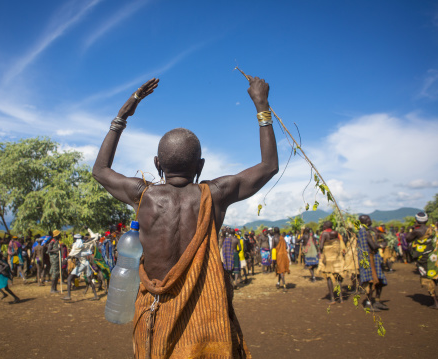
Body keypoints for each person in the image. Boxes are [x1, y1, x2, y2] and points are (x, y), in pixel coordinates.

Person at [92, 75, 278, 358]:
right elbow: (268, 166)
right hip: (205, 323)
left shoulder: (142, 195)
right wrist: (261, 104)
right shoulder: (215, 193)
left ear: (157, 164)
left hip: (153, 318)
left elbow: (101, 171)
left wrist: (122, 116)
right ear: (200, 165)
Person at [406, 212, 438, 309]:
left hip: (424, 259)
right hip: (435, 257)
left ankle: (436, 303)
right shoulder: (433, 229)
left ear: (416, 220)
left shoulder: (417, 231)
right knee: (436, 275)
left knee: (428, 279)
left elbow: (408, 239)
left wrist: (411, 229)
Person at [357, 215, 388, 311]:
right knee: (371, 281)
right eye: (368, 219)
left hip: (373, 257)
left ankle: (377, 301)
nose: (370, 220)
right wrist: (382, 244)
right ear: (365, 222)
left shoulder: (367, 231)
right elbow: (373, 246)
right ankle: (368, 303)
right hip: (369, 258)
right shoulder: (364, 232)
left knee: (379, 280)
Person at [62, 234, 98, 301]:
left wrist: (66, 259)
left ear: (76, 239)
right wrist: (91, 238)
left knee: (69, 278)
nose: (73, 239)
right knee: (89, 280)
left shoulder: (77, 245)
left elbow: (72, 253)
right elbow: (89, 240)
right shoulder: (83, 244)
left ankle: (68, 296)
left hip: (82, 264)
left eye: (74, 238)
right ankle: (96, 296)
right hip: (86, 263)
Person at [318, 221, 345, 304]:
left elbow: (321, 246)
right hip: (336, 257)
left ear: (326, 226)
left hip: (328, 258)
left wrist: (320, 252)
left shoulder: (325, 234)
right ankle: (341, 298)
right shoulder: (336, 233)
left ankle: (332, 298)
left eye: (324, 225)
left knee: (329, 276)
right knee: (338, 276)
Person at [272, 227, 290, 291]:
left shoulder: (274, 238)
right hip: (284, 255)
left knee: (281, 270)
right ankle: (278, 282)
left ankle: (284, 285)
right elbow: (286, 246)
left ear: (274, 231)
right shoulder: (282, 238)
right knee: (280, 269)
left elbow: (273, 248)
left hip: (278, 256)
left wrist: (273, 259)